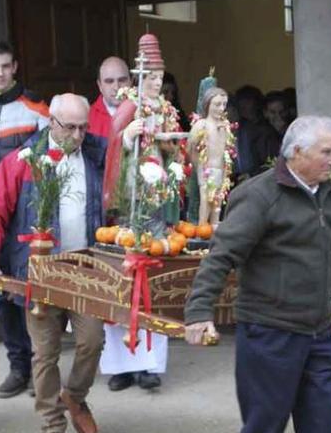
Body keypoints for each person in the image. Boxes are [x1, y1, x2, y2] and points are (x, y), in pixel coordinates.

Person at [183, 115, 331, 433]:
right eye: (326, 152)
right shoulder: (260, 196)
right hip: (268, 334)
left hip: (318, 334)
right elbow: (222, 256)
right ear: (296, 153)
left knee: (323, 431)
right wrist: (199, 312)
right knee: (263, 429)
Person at [0, 94, 106, 433]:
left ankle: (74, 397)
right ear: (52, 123)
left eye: (84, 127)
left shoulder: (96, 154)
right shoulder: (21, 161)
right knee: (45, 356)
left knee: (92, 342)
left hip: (86, 269)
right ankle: (53, 429)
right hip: (40, 271)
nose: (78, 135)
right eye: (70, 127)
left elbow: (131, 157)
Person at [0, 38, 50, 400]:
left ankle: (40, 365)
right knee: (0, 296)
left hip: (27, 217)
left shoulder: (37, 110)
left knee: (31, 292)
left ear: (15, 67)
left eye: (6, 66)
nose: (0, 73)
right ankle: (18, 366)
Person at [100, 34, 181, 390]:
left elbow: (175, 149)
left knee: (154, 279)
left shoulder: (164, 109)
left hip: (157, 196)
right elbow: (117, 142)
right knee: (123, 280)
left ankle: (149, 362)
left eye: (161, 80)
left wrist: (170, 144)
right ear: (139, 78)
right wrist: (129, 135)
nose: (157, 85)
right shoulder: (129, 107)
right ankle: (120, 365)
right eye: (152, 79)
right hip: (131, 197)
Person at [186, 87, 235, 227]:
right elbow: (190, 146)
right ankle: (202, 226)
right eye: (217, 104)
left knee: (218, 201)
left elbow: (228, 148)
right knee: (206, 200)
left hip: (221, 169)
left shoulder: (225, 126)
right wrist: (198, 165)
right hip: (206, 169)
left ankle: (214, 225)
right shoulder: (202, 124)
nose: (221, 108)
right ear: (208, 105)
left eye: (224, 104)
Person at [232, 85, 281, 180]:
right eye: (240, 102)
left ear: (257, 104)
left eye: (247, 101)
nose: (243, 106)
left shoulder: (267, 131)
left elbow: (272, 162)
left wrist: (252, 175)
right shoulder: (240, 130)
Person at [88, 56, 131, 146]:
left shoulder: (144, 112)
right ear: (100, 85)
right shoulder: (87, 118)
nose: (116, 87)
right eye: (109, 81)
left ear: (131, 81)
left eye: (122, 80)